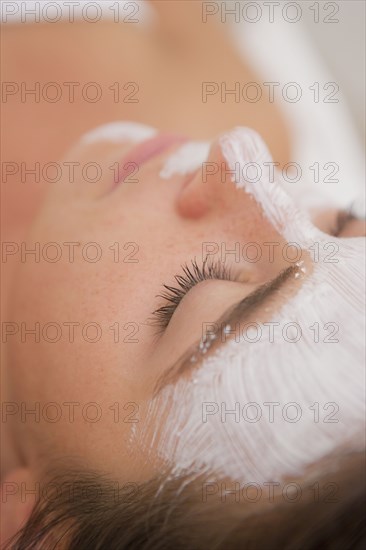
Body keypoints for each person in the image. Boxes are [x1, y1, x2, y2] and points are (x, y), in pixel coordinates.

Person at [1, 2, 365, 548]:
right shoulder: (221, 101)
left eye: (199, 286)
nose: (240, 156)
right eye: (342, 223)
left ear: (34, 531)